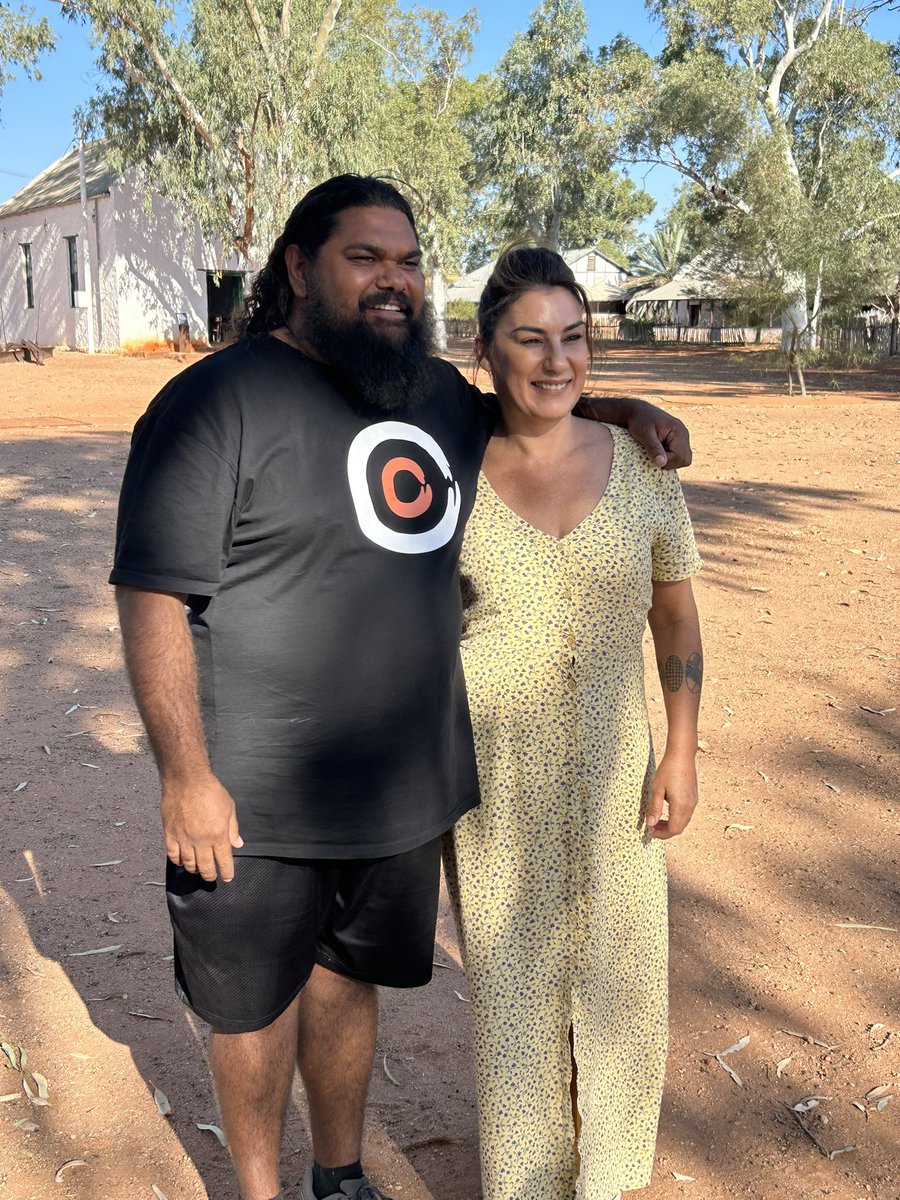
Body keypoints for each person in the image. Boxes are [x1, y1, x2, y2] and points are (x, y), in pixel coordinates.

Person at [109, 175, 692, 1200]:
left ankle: (339, 1175)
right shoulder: (214, 399)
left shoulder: (422, 395)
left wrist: (620, 403)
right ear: (298, 267)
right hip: (253, 791)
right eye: (364, 257)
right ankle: (258, 1190)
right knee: (251, 1009)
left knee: (345, 985)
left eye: (409, 260)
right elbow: (153, 594)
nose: (393, 280)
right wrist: (184, 776)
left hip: (396, 790)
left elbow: (527, 399)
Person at [443, 246, 703, 1200]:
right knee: (512, 999)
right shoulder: (449, 471)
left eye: (574, 337)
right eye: (529, 339)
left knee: (623, 985)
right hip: (491, 776)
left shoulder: (642, 466)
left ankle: (608, 1182)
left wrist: (679, 749)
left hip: (614, 769)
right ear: (487, 352)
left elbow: (674, 615)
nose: (557, 361)